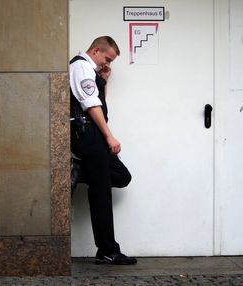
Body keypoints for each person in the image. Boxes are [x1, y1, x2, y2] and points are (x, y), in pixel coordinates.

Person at [70, 36, 137, 265]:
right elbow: (90, 105)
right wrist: (109, 135)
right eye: (107, 58)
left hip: (94, 135)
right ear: (96, 50)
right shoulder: (80, 66)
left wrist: (104, 80)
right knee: (101, 194)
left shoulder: (92, 71)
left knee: (121, 176)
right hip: (87, 136)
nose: (107, 63)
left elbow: (97, 101)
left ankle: (77, 170)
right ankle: (108, 251)